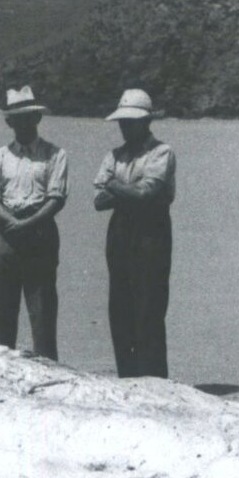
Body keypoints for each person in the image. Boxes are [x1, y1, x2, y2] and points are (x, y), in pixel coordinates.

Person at [0, 86, 68, 359]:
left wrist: (29, 224)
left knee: (42, 308)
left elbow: (56, 198)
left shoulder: (55, 154)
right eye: (17, 118)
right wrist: (11, 222)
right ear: (9, 122)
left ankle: (47, 365)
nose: (23, 123)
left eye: (28, 117)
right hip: (4, 230)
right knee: (4, 307)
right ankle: (4, 363)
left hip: (40, 230)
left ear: (37, 118)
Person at [92, 87, 176, 378]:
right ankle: (127, 377)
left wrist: (114, 185)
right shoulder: (115, 154)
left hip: (151, 232)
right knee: (120, 305)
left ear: (146, 122)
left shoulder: (161, 153)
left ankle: (153, 377)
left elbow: (145, 193)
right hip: (120, 231)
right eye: (122, 122)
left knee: (149, 306)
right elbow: (98, 202)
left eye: (131, 122)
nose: (125, 127)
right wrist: (126, 191)